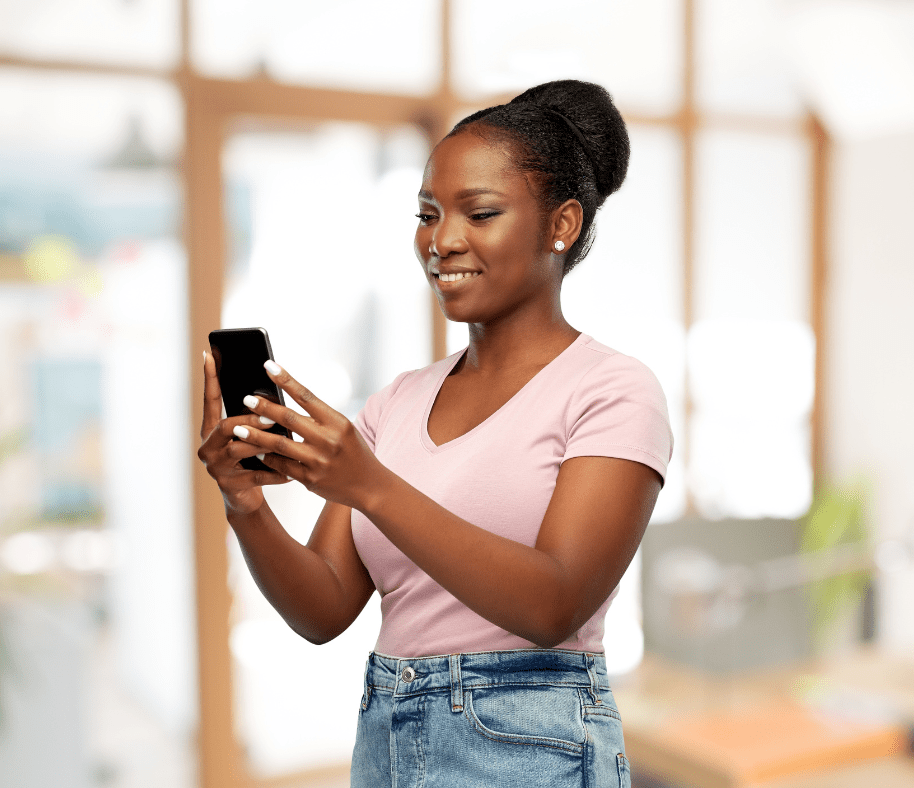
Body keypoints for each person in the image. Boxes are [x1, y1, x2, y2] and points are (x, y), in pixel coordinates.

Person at [198, 79, 673, 788]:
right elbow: (324, 608)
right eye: (427, 214)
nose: (441, 240)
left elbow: (555, 603)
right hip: (389, 743)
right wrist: (246, 505)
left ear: (561, 225)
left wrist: (374, 487)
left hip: (529, 748)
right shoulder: (397, 403)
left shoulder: (611, 390)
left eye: (479, 213)